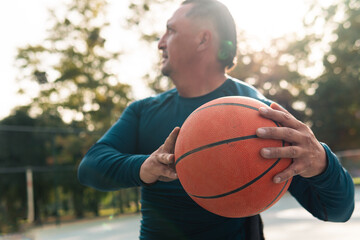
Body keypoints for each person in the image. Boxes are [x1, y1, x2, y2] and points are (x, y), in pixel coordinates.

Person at [77, 0, 355, 239]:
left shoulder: (262, 114)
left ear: (203, 39)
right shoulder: (143, 111)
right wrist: (144, 167)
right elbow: (89, 167)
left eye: (170, 30)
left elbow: (337, 211)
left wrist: (322, 163)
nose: (160, 42)